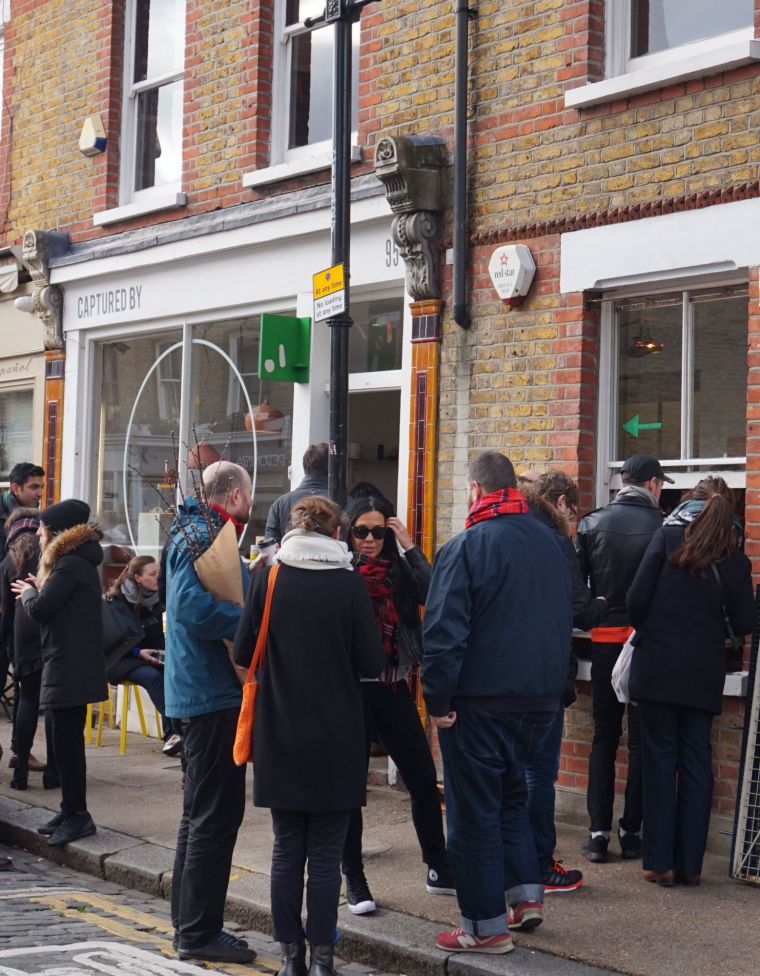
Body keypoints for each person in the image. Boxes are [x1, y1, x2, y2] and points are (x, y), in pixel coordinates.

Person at [422, 452, 572, 954]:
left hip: (479, 703)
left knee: (472, 816)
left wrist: (436, 700)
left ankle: (483, 928)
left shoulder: (465, 546)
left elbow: (444, 634)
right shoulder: (552, 545)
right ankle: (525, 897)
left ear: (475, 489)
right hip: (541, 701)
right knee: (512, 799)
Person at [233, 496, 384, 976]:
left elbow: (242, 652)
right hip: (338, 733)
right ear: (336, 533)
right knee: (324, 855)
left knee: (286, 849)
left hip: (280, 730)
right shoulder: (349, 583)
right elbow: (371, 662)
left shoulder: (269, 577)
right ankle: (322, 959)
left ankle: (290, 958)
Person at [627, 477, 753, 886]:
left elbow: (634, 601)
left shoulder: (666, 539)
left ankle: (659, 862)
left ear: (689, 502)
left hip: (657, 668)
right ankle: (691, 866)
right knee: (697, 764)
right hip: (703, 673)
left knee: (659, 763)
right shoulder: (735, 558)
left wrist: (654, 629)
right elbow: (746, 621)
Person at [341, 494, 453, 914]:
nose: (370, 539)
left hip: (392, 686)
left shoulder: (399, 570)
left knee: (422, 778)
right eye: (361, 531)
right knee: (350, 789)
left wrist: (408, 545)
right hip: (351, 691)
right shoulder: (340, 571)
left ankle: (438, 866)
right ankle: (354, 878)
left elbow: (436, 592)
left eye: (378, 531)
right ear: (349, 532)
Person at [164, 460, 256, 966]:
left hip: (199, 691)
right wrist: (248, 619)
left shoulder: (194, 530)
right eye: (249, 494)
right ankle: (199, 931)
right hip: (210, 694)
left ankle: (188, 922)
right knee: (215, 817)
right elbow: (190, 609)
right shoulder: (203, 535)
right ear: (235, 495)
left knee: (199, 814)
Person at [574, 453, 671, 863]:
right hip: (646, 643)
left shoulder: (591, 523)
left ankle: (597, 834)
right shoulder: (664, 526)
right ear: (652, 484)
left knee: (604, 736)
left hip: (604, 641)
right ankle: (631, 833)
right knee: (642, 741)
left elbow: (577, 592)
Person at [523, 472, 609, 893]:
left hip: (502, 677)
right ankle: (539, 864)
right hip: (544, 673)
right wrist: (602, 603)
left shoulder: (503, 533)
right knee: (539, 774)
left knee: (514, 774)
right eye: (573, 512)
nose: (573, 521)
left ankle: (516, 863)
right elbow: (581, 610)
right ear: (560, 503)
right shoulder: (555, 542)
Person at [11, 499, 107, 846]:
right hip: (66, 661)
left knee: (67, 744)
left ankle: (79, 815)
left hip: (70, 664)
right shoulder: (74, 563)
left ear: (56, 532)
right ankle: (69, 810)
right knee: (60, 737)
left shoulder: (70, 564)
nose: (38, 533)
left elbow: (42, 610)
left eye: (42, 528)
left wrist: (29, 594)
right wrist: (40, 589)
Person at [0, 508, 54, 790]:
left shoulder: (9, 560)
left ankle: (20, 769)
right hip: (49, 630)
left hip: (22, 634)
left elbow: (5, 612)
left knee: (27, 699)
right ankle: (54, 770)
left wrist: (9, 644)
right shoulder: (50, 553)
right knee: (54, 703)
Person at [106, 555, 181, 756]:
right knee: (153, 677)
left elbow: (156, 635)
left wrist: (165, 652)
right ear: (137, 578)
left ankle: (172, 735)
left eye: (159, 574)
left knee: (172, 671)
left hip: (146, 656)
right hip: (120, 659)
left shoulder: (155, 599)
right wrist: (139, 652)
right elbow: (112, 639)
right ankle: (178, 731)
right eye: (152, 574)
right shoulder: (117, 601)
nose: (158, 578)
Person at [0, 463, 44, 731]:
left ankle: (20, 745)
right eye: (33, 487)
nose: (39, 492)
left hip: (23, 612)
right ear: (16, 488)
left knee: (24, 684)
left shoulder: (36, 521)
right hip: (6, 606)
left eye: (41, 486)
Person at [265, 443, 329, 543]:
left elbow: (270, 547)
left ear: (305, 467)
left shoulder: (279, 505)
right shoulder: (346, 502)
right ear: (334, 469)